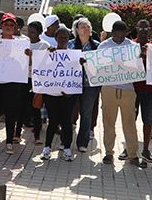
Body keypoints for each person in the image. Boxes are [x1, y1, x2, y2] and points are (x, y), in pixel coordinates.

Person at [98, 20, 145, 167]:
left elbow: (138, 68)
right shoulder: (103, 46)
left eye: (121, 35)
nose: (118, 38)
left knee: (129, 123)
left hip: (128, 90)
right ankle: (108, 153)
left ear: (126, 34)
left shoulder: (132, 47)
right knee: (108, 122)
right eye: (116, 35)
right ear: (112, 33)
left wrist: (141, 57)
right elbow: (97, 66)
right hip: (109, 89)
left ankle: (132, 154)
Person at [0, 13, 25, 154]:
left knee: (11, 112)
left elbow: (25, 62)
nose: (8, 27)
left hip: (12, 82)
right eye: (6, 24)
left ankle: (9, 141)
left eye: (11, 25)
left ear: (15, 27)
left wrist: (28, 55)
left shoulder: (20, 43)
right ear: (1, 25)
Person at [40, 26, 78, 161]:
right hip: (52, 94)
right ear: (55, 38)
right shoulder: (49, 53)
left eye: (65, 37)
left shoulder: (74, 55)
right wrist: (45, 55)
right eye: (60, 37)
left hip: (68, 95)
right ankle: (47, 148)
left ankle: (67, 148)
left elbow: (76, 74)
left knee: (67, 122)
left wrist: (82, 63)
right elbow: (41, 69)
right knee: (53, 121)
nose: (63, 39)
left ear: (69, 39)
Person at [71, 17, 100, 153]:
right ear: (77, 30)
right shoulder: (70, 45)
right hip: (72, 84)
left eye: (88, 26)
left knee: (86, 113)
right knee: (70, 112)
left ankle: (83, 142)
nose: (86, 28)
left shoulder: (98, 46)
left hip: (90, 86)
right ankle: (66, 141)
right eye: (82, 26)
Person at [131, 19, 152, 164]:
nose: (143, 31)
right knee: (131, 120)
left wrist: (148, 56)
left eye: (145, 28)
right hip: (133, 89)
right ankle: (130, 147)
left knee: (148, 121)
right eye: (140, 28)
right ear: (136, 29)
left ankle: (146, 149)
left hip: (149, 90)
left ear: (149, 29)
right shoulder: (130, 45)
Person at [24, 21, 47, 144]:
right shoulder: (23, 43)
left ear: (39, 32)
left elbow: (45, 64)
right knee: (22, 107)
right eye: (29, 31)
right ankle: (17, 134)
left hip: (37, 80)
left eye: (33, 32)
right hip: (23, 78)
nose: (30, 34)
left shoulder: (44, 45)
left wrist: (32, 57)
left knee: (36, 108)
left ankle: (37, 135)